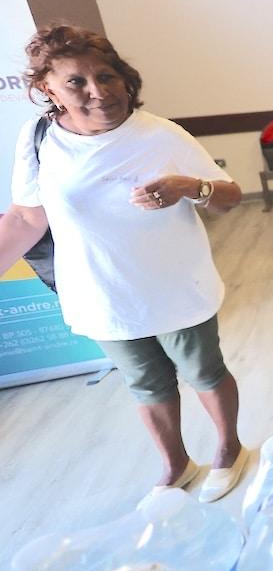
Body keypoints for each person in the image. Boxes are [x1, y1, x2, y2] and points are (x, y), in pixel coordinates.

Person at [0, 25, 247, 500]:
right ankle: (176, 464)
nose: (99, 92)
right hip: (101, 294)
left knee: (204, 372)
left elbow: (229, 196)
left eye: (107, 76)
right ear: (48, 89)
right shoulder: (37, 139)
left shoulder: (159, 134)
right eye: (77, 82)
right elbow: (27, 217)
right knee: (145, 384)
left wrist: (188, 187)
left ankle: (229, 450)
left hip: (175, 287)